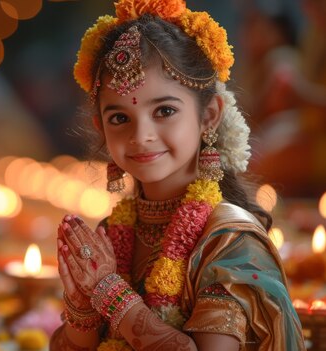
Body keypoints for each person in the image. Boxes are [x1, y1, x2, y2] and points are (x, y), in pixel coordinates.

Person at [49, 0, 305, 350]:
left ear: (209, 115)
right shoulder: (110, 236)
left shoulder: (230, 243)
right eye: (120, 118)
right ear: (101, 127)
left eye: (165, 110)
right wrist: (82, 306)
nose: (141, 136)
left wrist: (111, 294)